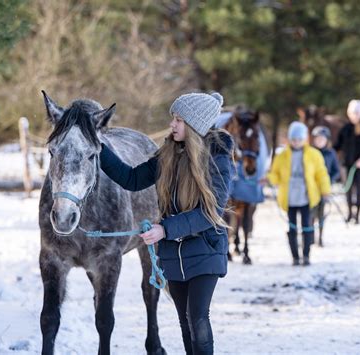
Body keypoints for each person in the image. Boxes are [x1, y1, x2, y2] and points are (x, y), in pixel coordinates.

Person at [99, 92, 234, 355]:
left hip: (206, 249)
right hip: (173, 254)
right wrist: (98, 148)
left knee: (198, 318)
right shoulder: (168, 155)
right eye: (173, 118)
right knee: (184, 322)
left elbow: (210, 212)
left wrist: (165, 229)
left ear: (195, 125)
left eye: (179, 120)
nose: (172, 124)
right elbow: (132, 179)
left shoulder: (217, 159)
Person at [264, 122, 331, 266]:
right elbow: (275, 173)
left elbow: (321, 174)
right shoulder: (281, 156)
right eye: (293, 139)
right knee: (292, 227)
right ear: (289, 139)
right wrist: (269, 179)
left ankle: (306, 255)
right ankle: (295, 256)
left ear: (305, 139)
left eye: (299, 139)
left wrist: (325, 191)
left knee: (307, 225)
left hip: (307, 196)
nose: (296, 142)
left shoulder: (314, 154)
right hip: (289, 198)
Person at [334, 99, 360, 224]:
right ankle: (349, 213)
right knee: (347, 190)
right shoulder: (345, 129)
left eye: (357, 112)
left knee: (358, 190)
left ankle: (357, 215)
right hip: (347, 164)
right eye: (352, 112)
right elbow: (338, 145)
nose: (355, 115)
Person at [311, 125, 340, 246]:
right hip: (312, 188)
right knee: (311, 214)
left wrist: (329, 180)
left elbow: (336, 171)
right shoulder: (310, 153)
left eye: (322, 139)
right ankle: (310, 236)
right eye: (317, 139)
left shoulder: (331, 153)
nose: (320, 141)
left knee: (321, 214)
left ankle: (321, 237)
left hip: (324, 189)